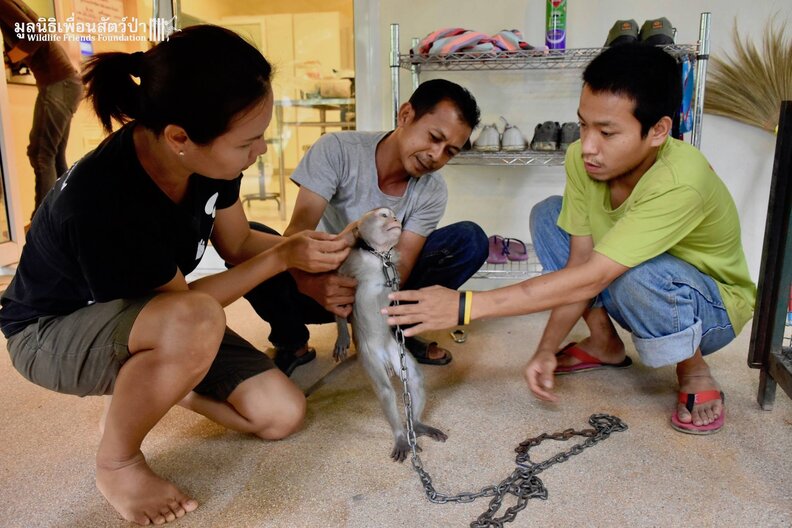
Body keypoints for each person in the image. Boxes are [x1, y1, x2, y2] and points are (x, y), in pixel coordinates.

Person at [0, 25, 352, 525]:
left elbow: (239, 244)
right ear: (179, 138)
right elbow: (188, 304)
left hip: (155, 317)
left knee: (280, 415)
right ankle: (117, 461)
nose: (261, 152)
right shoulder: (106, 201)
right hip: (48, 331)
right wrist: (283, 259)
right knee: (194, 322)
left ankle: (161, 383)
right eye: (250, 141)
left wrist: (321, 255)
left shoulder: (210, 160)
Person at [384, 44, 756, 436]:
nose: (589, 145)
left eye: (608, 132)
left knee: (635, 272)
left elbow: (594, 277)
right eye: (584, 125)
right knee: (548, 215)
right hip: (631, 284)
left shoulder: (683, 180)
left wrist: (466, 305)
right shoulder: (581, 158)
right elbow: (579, 265)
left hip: (710, 310)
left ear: (658, 131)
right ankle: (604, 344)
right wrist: (545, 348)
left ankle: (693, 368)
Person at [241, 78, 488, 375]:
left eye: (450, 151)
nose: (437, 156)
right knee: (251, 241)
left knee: (469, 239)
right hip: (319, 283)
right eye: (434, 137)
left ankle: (398, 332)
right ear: (405, 115)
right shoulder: (337, 149)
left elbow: (404, 265)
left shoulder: (433, 190)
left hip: (377, 289)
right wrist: (313, 283)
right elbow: (296, 235)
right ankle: (292, 341)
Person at [0, 0, 83, 217]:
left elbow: (35, 36)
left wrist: (7, 59)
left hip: (59, 83)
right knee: (51, 154)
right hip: (63, 83)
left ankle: (43, 220)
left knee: (41, 154)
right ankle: (68, 214)